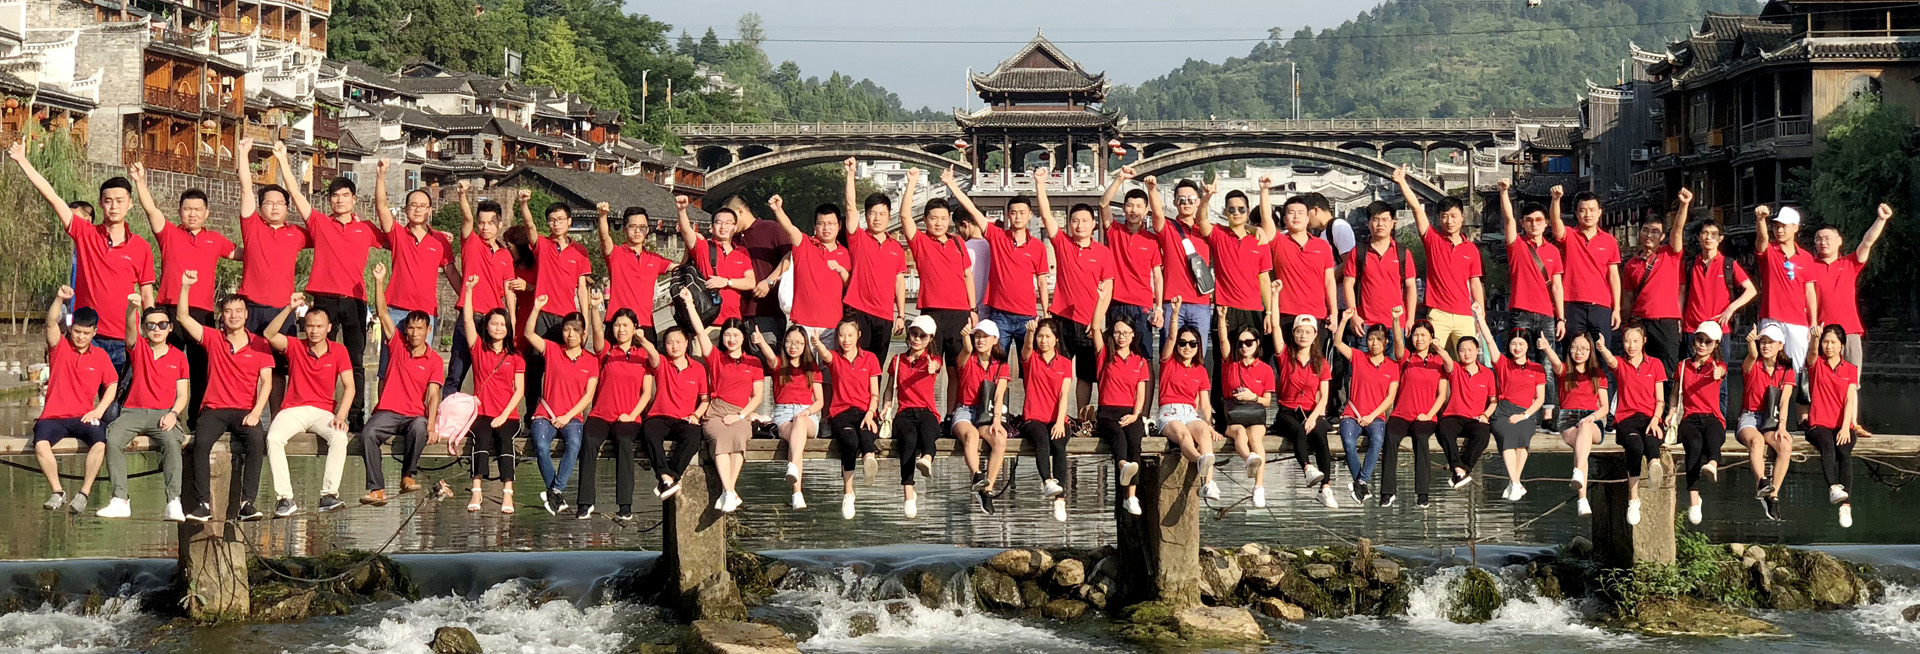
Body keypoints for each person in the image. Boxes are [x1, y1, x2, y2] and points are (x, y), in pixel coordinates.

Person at [11, 142, 154, 391]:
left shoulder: (141, 247)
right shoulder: (86, 234)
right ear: (100, 203)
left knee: (116, 408)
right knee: (79, 401)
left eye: (120, 201)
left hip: (124, 340)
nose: (114, 206)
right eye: (108, 201)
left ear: (130, 204)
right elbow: (52, 197)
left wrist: (151, 331)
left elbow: (147, 295)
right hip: (87, 337)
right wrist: (23, 161)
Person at [128, 162, 237, 425]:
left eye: (197, 209)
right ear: (180, 211)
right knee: (166, 366)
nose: (192, 214)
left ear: (206, 213)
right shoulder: (169, 234)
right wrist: (140, 181)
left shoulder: (216, 240)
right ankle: (163, 416)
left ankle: (197, 421)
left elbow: (246, 254)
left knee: (201, 369)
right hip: (170, 310)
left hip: (202, 313)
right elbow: (151, 210)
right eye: (187, 209)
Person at [296, 149, 385, 429]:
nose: (339, 200)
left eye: (345, 195)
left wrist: (436, 234)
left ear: (354, 199)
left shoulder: (366, 228)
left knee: (355, 360)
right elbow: (297, 197)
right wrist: (285, 160)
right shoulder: (321, 223)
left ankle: (356, 416)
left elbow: (398, 237)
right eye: (334, 196)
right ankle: (317, 408)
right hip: (324, 299)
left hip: (355, 300)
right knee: (318, 355)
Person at [175, 271, 273, 522]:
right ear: (222, 315)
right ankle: (203, 503)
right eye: (228, 311)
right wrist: (185, 287)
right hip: (214, 409)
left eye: (238, 311)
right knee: (201, 442)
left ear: (246, 314)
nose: (234, 315)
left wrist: (256, 413)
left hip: (245, 410)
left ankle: (247, 503)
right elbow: (183, 317)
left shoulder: (259, 344)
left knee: (256, 441)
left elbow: (267, 382)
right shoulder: (213, 338)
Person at [260, 294, 355, 516]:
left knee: (339, 437)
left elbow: (350, 387)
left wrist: (341, 416)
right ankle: (285, 498)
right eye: (310, 326)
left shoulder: (339, 350)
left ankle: (328, 495)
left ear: (328, 328)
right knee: (273, 438)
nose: (314, 330)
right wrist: (289, 308)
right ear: (304, 327)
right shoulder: (295, 346)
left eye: (319, 326)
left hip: (323, 411)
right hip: (293, 409)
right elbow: (268, 334)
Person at [357, 264, 444, 506]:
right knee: (368, 434)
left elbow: (433, 395)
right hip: (388, 412)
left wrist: (432, 424)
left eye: (420, 329)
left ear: (428, 330)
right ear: (405, 329)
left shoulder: (435, 360)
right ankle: (377, 489)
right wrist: (379, 282)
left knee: (419, 428)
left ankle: (407, 476)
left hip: (414, 415)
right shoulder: (397, 345)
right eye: (411, 328)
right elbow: (383, 313)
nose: (415, 333)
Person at [100, 296, 190, 519]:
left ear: (170, 328)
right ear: (144, 328)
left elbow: (182, 395)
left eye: (162, 324)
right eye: (151, 325)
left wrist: (173, 414)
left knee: (172, 443)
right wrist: (132, 307)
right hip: (133, 411)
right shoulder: (138, 347)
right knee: (113, 440)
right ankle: (120, 498)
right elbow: (130, 327)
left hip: (163, 413)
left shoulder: (179, 357)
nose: (156, 329)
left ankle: (173, 500)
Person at [946, 169, 1048, 362]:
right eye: (1013, 213)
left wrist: (1046, 311)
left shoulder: (1037, 247)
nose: (1018, 217)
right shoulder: (997, 237)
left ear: (1030, 215)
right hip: (1000, 315)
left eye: (1022, 213)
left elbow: (1042, 281)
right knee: (995, 364)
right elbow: (973, 211)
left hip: (1027, 315)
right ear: (1008, 215)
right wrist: (952, 184)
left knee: (1029, 364)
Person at [1034, 168, 1115, 412]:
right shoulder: (1063, 244)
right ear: (1069, 225)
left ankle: (1082, 417)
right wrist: (1040, 184)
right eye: (1075, 221)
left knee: (1086, 375)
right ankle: (1052, 415)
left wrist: (1097, 320)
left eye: (1084, 221)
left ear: (1094, 225)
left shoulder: (1103, 253)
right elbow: (1046, 216)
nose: (1080, 225)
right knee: (1058, 369)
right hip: (1062, 318)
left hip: (1089, 322)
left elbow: (1108, 289)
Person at [32, 287, 117, 514]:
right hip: (54, 416)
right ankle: (58, 491)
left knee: (101, 441)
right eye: (77, 331)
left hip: (83, 416)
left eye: (86, 333)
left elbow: (112, 384)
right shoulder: (59, 347)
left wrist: (99, 410)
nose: (81, 337)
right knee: (40, 444)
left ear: (94, 332)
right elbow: (51, 322)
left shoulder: (100, 356)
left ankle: (84, 493)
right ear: (70, 329)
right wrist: (59, 298)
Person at [900, 169, 978, 403]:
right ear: (925, 220)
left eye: (943, 219)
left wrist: (973, 310)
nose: (939, 223)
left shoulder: (958, 242)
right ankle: (925, 409)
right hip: (932, 313)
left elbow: (967, 277)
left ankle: (952, 414)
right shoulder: (921, 242)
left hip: (959, 313)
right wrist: (912, 183)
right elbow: (904, 216)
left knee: (957, 369)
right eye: (934, 218)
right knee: (928, 365)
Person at [577, 303, 655, 521]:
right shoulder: (607, 352)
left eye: (626, 325)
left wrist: (632, 414)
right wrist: (594, 309)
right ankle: (585, 502)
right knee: (589, 441)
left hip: (629, 417)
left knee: (624, 442)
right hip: (601, 414)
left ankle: (625, 504)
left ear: (635, 328)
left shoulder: (643, 356)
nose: (621, 329)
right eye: (617, 325)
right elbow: (597, 333)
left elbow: (646, 393)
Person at [523, 295, 599, 515]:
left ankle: (555, 490)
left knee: (574, 443)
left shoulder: (591, 360)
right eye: (567, 329)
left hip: (572, 416)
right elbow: (529, 334)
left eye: (576, 330)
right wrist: (536, 309)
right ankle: (555, 492)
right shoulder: (553, 350)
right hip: (545, 414)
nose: (571, 334)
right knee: (541, 445)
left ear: (583, 333)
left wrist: (568, 416)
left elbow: (588, 395)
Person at [230, 140, 311, 341]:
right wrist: (243, 154)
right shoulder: (252, 227)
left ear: (287, 208)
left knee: (282, 359)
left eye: (280, 203)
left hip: (283, 308)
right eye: (269, 203)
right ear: (260, 207)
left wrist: (282, 160)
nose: (275, 207)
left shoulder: (297, 234)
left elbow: (322, 230)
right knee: (248, 357)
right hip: (252, 306)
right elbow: (246, 189)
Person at [1395, 166, 1482, 351]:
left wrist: (1480, 316)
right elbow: (1417, 209)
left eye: (1453, 216)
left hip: (1464, 314)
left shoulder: (1472, 249)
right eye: (1444, 217)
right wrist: (1402, 182)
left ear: (1462, 217)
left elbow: (1475, 283)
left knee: (1466, 360)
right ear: (1439, 219)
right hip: (1438, 313)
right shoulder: (1432, 240)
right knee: (1433, 358)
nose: (1449, 221)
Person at [522, 199, 593, 423]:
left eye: (561, 219)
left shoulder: (579, 252)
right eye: (552, 220)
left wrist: (585, 322)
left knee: (568, 367)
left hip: (567, 318)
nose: (556, 223)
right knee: (535, 366)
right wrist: (524, 205)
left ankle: (571, 415)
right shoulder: (543, 245)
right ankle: (532, 414)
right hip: (543, 313)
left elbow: (582, 289)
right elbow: (530, 226)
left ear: (569, 221)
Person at [458, 276, 525, 515]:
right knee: (482, 438)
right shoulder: (478, 349)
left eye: (502, 324)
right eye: (494, 323)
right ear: (486, 326)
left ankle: (508, 493)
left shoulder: (515, 357)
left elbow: (520, 390)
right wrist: (468, 291)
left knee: (505, 440)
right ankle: (476, 490)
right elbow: (467, 319)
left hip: (508, 414)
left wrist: (505, 414)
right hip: (481, 412)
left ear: (508, 328)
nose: (498, 328)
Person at [446, 182, 519, 396]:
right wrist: (462, 195)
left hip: (493, 320)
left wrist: (512, 321)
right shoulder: (471, 243)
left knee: (490, 371)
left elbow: (509, 290)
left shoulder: (505, 255)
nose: (485, 227)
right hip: (470, 316)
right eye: (482, 223)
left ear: (500, 224)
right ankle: (446, 411)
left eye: (490, 223)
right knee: (456, 371)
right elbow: (467, 218)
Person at [1681, 212, 1757, 413]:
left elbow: (1751, 290)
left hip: (1720, 330)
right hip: (1693, 327)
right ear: (1699, 237)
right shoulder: (1690, 264)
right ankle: (1692, 417)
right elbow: (1682, 293)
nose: (1708, 238)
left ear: (1720, 238)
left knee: (1720, 377)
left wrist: (1730, 309)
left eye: (1713, 234)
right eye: (1705, 233)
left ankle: (1719, 419)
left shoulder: (1728, 264)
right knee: (1691, 377)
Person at [1496, 179, 1563, 405]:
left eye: (1539, 220)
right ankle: (1517, 404)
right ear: (1523, 223)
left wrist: (1561, 318)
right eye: (1529, 220)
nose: (1534, 224)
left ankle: (1548, 410)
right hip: (1521, 311)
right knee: (1518, 361)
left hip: (1546, 315)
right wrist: (1504, 193)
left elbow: (1557, 286)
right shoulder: (1516, 245)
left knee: (1547, 364)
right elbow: (1508, 219)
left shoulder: (1553, 251)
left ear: (1546, 224)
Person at [642, 293, 713, 503]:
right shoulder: (662, 364)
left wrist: (696, 415)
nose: (674, 346)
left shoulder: (698, 368)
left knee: (693, 437)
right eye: (670, 342)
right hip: (660, 416)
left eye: (678, 342)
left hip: (685, 418)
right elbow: (652, 353)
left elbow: (705, 400)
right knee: (649, 432)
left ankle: (669, 477)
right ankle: (666, 477)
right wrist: (642, 340)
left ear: (686, 343)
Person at [1595, 325, 1667, 526]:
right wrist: (1602, 348)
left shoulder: (1655, 364)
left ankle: (1654, 470)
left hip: (1650, 417)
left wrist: (1656, 419)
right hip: (1626, 419)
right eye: (1627, 341)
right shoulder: (1620, 364)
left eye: (1635, 341)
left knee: (1652, 441)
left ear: (1644, 341)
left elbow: (1660, 399)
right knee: (1635, 446)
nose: (1631, 345)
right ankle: (1633, 499)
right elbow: (1611, 360)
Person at [839, 158, 910, 359]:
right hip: (858, 310)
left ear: (889, 216)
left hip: (885, 315)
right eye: (873, 213)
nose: (877, 218)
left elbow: (899, 282)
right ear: (867, 216)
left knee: (876, 367)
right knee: (855, 362)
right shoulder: (858, 238)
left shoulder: (896, 247)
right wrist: (850, 174)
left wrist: (901, 315)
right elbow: (850, 207)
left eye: (882, 214)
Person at [1197, 181, 1273, 370]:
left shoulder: (1259, 240)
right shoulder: (1219, 234)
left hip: (1253, 310)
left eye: (1241, 209)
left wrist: (1269, 312)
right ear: (1225, 212)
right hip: (1225, 310)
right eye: (1231, 209)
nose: (1236, 213)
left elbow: (1264, 279)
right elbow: (1201, 220)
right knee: (1224, 362)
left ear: (1247, 211)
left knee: (1254, 362)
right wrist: (1206, 197)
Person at [1473, 310, 1548, 502]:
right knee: (1506, 434)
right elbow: (1489, 341)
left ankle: (1514, 482)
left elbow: (1540, 398)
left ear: (1527, 346)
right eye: (1513, 343)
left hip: (1525, 412)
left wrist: (1524, 415)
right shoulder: (1503, 364)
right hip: (1503, 410)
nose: (1517, 347)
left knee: (1523, 435)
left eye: (1521, 344)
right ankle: (1515, 482)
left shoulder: (1537, 369)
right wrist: (1480, 317)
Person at [691, 318, 763, 514]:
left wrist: (739, 416)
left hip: (741, 412)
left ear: (743, 337)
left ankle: (728, 491)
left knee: (739, 436)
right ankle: (730, 491)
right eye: (727, 335)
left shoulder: (753, 362)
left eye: (736, 335)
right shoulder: (716, 357)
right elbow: (700, 332)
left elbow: (757, 396)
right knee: (720, 438)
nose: (732, 339)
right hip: (716, 410)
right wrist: (689, 305)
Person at [1810, 203, 1891, 375]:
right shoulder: (1808, 267)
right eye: (1818, 239)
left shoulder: (1849, 263)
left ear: (1839, 241)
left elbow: (1867, 242)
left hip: (1849, 331)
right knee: (1821, 382)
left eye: (1827, 238)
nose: (1823, 242)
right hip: (1821, 334)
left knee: (1851, 382)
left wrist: (1880, 219)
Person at [1098, 166, 1165, 370]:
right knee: (1113, 354)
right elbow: (1103, 203)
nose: (1134, 210)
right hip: (1116, 302)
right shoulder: (1114, 231)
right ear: (1124, 209)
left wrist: (1159, 307)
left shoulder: (1152, 240)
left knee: (1144, 356)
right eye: (1129, 206)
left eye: (1138, 206)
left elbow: (1157, 276)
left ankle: (1144, 393)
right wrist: (1120, 178)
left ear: (1146, 211)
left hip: (1142, 305)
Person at [813, 321, 881, 519]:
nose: (846, 340)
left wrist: (870, 412)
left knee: (867, 435)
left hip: (865, 411)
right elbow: (825, 355)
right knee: (850, 441)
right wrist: (818, 344)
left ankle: (869, 463)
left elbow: (874, 393)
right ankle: (848, 493)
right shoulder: (835, 358)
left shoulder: (870, 358)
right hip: (841, 413)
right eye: (842, 335)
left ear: (858, 335)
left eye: (850, 335)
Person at [1333, 311, 1399, 505]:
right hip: (1352, 414)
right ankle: (1361, 484)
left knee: (1377, 440)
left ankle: (1361, 482)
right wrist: (1344, 320)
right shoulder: (1358, 357)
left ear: (1386, 342)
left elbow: (1390, 397)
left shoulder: (1392, 366)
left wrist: (1372, 415)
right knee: (1348, 441)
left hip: (1376, 416)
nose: (1374, 343)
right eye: (1370, 339)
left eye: (1379, 339)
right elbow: (1338, 343)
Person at [881, 314, 944, 518]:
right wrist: (886, 406)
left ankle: (927, 458)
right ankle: (908, 493)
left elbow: (936, 365)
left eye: (922, 336)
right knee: (908, 438)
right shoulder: (897, 360)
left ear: (930, 338)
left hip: (927, 410)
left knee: (928, 431)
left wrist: (933, 367)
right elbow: (889, 389)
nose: (917, 339)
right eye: (914, 334)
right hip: (904, 412)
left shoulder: (932, 360)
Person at [1382, 316, 1448, 508]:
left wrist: (1429, 414)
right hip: (1401, 414)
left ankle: (1422, 493)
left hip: (1426, 416)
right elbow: (1397, 340)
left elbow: (1442, 396)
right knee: (1391, 437)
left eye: (1424, 335)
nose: (1419, 339)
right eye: (1416, 335)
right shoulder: (1407, 358)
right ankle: (1387, 492)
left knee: (1421, 438)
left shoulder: (1438, 362)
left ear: (1431, 337)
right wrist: (1396, 321)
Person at [755, 325, 822, 510]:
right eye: (790, 342)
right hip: (783, 414)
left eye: (799, 343)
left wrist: (807, 412)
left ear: (805, 345)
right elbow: (770, 357)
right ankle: (797, 493)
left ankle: (793, 471)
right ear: (784, 343)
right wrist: (761, 343)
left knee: (800, 422)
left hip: (807, 414)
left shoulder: (812, 367)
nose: (794, 346)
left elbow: (820, 401)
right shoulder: (779, 365)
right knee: (795, 436)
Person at [1623, 190, 1689, 375]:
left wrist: (1684, 205)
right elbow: (1628, 297)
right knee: (1639, 369)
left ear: (1662, 237)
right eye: (1645, 230)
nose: (1649, 235)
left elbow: (1677, 230)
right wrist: (1626, 323)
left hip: (1666, 321)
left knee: (1669, 371)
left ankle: (1668, 397)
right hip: (1640, 321)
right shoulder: (1631, 264)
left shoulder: (1670, 254)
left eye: (1655, 232)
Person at [1549, 185, 1622, 349]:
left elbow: (1614, 276)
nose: (1588, 214)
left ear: (1600, 212)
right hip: (1572, 304)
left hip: (1601, 305)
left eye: (1592, 210)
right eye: (1583, 210)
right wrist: (1556, 200)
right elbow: (1555, 222)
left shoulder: (1609, 241)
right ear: (1576, 213)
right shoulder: (1569, 235)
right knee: (1573, 352)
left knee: (1602, 353)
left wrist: (1616, 308)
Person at [1273, 315, 1336, 508]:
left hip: (1310, 411)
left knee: (1320, 435)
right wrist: (1273, 302)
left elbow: (1324, 397)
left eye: (1308, 332)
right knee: (1299, 431)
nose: (1303, 335)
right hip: (1287, 411)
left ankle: (1325, 488)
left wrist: (1313, 418)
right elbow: (1275, 326)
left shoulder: (1321, 363)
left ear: (1315, 335)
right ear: (1293, 334)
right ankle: (1307, 468)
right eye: (1299, 331)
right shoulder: (1285, 356)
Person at [1737, 324, 1797, 521]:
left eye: (1770, 342)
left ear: (1780, 345)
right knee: (1757, 442)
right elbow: (1752, 356)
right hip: (1750, 416)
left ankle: (1773, 495)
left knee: (1785, 445)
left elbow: (1784, 400)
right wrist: (1751, 343)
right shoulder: (1753, 364)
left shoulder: (1786, 370)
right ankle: (1762, 482)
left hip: (1771, 419)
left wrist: (1782, 426)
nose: (1766, 346)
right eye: (1763, 341)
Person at [1092, 317, 1151, 516]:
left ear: (1133, 334)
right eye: (1117, 332)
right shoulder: (1105, 355)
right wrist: (1102, 302)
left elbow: (1140, 393)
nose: (1121, 336)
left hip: (1130, 412)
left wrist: (1135, 414)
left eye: (1126, 332)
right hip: (1107, 412)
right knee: (1118, 436)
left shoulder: (1139, 361)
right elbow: (1095, 327)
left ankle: (1131, 497)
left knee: (1134, 442)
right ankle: (1123, 465)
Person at [1019, 318, 1077, 522]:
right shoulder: (1031, 358)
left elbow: (1064, 394)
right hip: (1033, 418)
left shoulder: (1065, 363)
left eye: (1047, 336)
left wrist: (1061, 421)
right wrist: (1029, 333)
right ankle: (1047, 482)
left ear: (1056, 339)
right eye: (1040, 336)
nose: (1043, 340)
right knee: (1041, 439)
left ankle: (1060, 500)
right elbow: (1026, 349)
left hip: (1056, 418)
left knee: (1059, 444)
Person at [1670, 322, 1727, 525]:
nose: (1702, 344)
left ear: (1716, 344)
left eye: (1708, 342)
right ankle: (1694, 499)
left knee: (1714, 435)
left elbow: (1721, 372)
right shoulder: (1683, 365)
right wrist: (1671, 412)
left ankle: (1712, 464)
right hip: (1690, 417)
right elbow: (1675, 394)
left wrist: (1718, 373)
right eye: (1699, 339)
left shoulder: (1718, 366)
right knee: (1693, 444)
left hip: (1712, 415)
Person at [951, 321, 1011, 513]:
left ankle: (988, 490)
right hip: (965, 410)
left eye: (985, 336)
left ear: (995, 340)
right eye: (977, 336)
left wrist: (996, 420)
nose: (980, 340)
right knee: (971, 436)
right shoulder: (967, 359)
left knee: (1000, 439)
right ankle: (977, 475)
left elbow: (999, 395)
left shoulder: (1001, 365)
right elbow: (966, 351)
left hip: (987, 412)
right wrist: (965, 337)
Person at [1804, 324, 1860, 528]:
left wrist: (1846, 427)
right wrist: (1815, 338)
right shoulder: (1816, 364)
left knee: (1844, 451)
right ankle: (1833, 488)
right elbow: (1812, 354)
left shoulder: (1850, 369)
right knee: (1827, 445)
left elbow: (1849, 399)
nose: (1828, 346)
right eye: (1826, 342)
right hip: (1818, 424)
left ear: (1842, 345)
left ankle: (1846, 505)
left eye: (1833, 342)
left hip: (1841, 424)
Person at [1154, 178, 1216, 359]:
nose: (1186, 203)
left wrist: (1208, 197)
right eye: (1181, 200)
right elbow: (1157, 213)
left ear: (1197, 201)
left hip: (1201, 302)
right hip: (1172, 302)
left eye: (1191, 199)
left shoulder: (1206, 230)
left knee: (1198, 355)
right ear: (1175, 202)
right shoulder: (1168, 228)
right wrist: (1151, 189)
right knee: (1169, 355)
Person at [1158, 312, 1218, 499]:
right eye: (1183, 343)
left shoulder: (1200, 370)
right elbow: (1170, 337)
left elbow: (1205, 404)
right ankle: (1200, 460)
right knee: (1183, 434)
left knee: (1204, 432)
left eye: (1193, 344)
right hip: (1169, 411)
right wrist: (1175, 315)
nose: (1187, 347)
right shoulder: (1168, 362)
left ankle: (1208, 484)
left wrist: (1210, 425)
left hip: (1190, 413)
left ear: (1198, 346)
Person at [1752, 205, 1819, 373]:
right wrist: (1761, 220)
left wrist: (1813, 322)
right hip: (1771, 317)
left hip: (1797, 321)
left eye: (1784, 226)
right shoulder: (1769, 251)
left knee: (1797, 368)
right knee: (1769, 366)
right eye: (1776, 226)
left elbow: (1809, 292)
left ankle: (1795, 391)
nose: (1779, 230)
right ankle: (1771, 392)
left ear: (1795, 228)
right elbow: (1761, 239)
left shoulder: (1806, 257)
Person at [1345, 201, 1418, 354]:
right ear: (1369, 223)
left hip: (1396, 323)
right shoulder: (1359, 252)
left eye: (1385, 220)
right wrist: (1354, 316)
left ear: (1393, 223)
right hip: (1365, 323)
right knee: (1364, 367)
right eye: (1376, 220)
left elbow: (1411, 286)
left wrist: (1410, 319)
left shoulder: (1402, 253)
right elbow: (1348, 284)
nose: (1380, 224)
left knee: (1395, 366)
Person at [598, 205, 673, 348]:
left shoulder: (654, 259)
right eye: (633, 227)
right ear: (625, 229)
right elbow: (604, 237)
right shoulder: (615, 253)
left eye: (642, 227)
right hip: (618, 323)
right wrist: (602, 216)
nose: (638, 231)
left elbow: (679, 267)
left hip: (645, 323)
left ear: (647, 230)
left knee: (647, 362)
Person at [676, 198, 757, 328]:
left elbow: (751, 282)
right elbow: (686, 231)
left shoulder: (741, 252)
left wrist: (727, 282)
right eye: (718, 222)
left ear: (735, 227)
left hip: (733, 324)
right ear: (712, 228)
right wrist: (681, 210)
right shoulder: (704, 248)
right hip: (706, 323)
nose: (723, 227)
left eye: (728, 223)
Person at [1269, 193, 1338, 345]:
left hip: (1317, 314)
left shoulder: (1322, 246)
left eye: (1301, 213)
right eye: (1291, 213)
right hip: (1286, 313)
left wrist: (1333, 312)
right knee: (1286, 357)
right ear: (1284, 219)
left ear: (1307, 218)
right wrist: (1264, 191)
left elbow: (1329, 281)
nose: (1296, 217)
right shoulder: (1278, 242)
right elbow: (1266, 221)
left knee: (1316, 358)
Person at [1553, 332, 1609, 517]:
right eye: (1575, 348)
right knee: (1581, 445)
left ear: (1590, 351)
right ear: (1569, 349)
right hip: (1568, 419)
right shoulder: (1564, 371)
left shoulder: (1598, 374)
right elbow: (1554, 362)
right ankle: (1582, 499)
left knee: (1585, 427)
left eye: (1584, 349)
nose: (1579, 352)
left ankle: (1578, 476)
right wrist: (1546, 348)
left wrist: (1592, 417)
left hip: (1592, 420)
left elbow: (1605, 407)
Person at [1221, 325, 1276, 508]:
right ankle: (1249, 459)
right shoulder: (1231, 364)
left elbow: (1267, 401)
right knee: (1240, 433)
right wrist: (1221, 319)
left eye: (1249, 342)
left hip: (1255, 414)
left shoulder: (1265, 369)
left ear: (1257, 343)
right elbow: (1222, 340)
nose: (1244, 347)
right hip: (1234, 415)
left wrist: (1252, 396)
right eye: (1240, 343)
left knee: (1255, 437)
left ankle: (1259, 486)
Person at [1435, 330, 1495, 494]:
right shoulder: (1455, 368)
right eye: (1462, 350)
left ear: (1477, 351)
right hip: (1453, 416)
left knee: (1483, 434)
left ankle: (1462, 470)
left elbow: (1494, 401)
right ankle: (1458, 469)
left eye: (1470, 350)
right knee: (1443, 430)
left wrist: (1486, 415)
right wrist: (1438, 347)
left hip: (1475, 418)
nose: (1466, 354)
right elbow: (1446, 359)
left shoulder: (1487, 373)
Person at [734, 193, 796, 346]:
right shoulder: (734, 238)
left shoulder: (770, 228)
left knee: (768, 354)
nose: (729, 224)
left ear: (740, 211)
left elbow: (790, 255)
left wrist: (769, 281)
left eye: (731, 219)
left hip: (767, 311)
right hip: (739, 313)